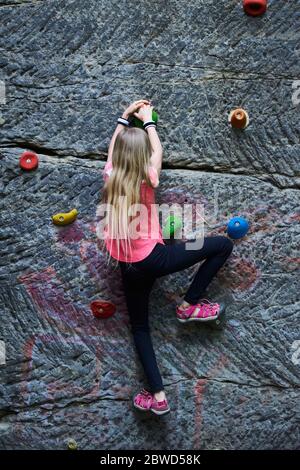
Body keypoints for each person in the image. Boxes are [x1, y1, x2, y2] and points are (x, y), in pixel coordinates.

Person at [100, 99, 233, 416]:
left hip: (128, 267)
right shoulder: (148, 178)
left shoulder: (110, 175)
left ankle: (157, 397)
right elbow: (157, 151)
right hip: (155, 259)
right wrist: (148, 122)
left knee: (140, 328)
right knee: (222, 245)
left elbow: (111, 151)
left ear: (119, 157)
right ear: (143, 158)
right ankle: (188, 307)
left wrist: (124, 118)